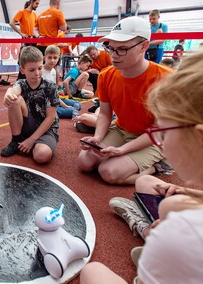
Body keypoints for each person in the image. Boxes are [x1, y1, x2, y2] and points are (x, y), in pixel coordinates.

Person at [79, 50, 203, 284]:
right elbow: (105, 113)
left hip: (179, 245)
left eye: (163, 133)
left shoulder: (185, 230)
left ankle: (146, 232)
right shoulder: (109, 75)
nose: (161, 141)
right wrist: (191, 193)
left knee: (91, 271)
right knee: (165, 201)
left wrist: (168, 241)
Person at [78, 16, 173, 185]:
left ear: (144, 46)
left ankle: (157, 166)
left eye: (122, 49)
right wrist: (97, 137)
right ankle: (134, 161)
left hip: (153, 138)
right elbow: (106, 114)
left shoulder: (165, 79)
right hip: (122, 129)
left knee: (108, 172)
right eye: (110, 48)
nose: (114, 55)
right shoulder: (106, 75)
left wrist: (122, 150)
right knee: (85, 162)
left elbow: (157, 130)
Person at [0, 46, 60, 164]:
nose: (37, 73)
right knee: (15, 99)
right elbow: (14, 90)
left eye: (40, 68)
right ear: (22, 70)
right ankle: (16, 140)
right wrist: (8, 93)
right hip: (29, 125)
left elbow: (51, 118)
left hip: (47, 128)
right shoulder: (21, 83)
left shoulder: (50, 87)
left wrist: (32, 140)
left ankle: (34, 143)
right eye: (32, 70)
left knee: (41, 156)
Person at [42, 44, 82, 118]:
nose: (52, 60)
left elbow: (54, 93)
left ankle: (59, 109)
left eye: (55, 58)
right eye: (49, 57)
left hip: (54, 99)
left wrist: (64, 105)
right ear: (45, 58)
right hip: (46, 103)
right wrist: (65, 106)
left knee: (78, 105)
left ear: (58, 58)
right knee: (73, 111)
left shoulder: (53, 71)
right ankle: (54, 112)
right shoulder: (40, 71)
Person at [10, 0, 41, 80]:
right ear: (32, 2)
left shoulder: (34, 14)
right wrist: (21, 33)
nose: (38, 5)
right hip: (25, 41)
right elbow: (11, 23)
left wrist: (38, 36)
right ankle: (20, 82)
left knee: (33, 62)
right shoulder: (22, 12)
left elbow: (35, 29)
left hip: (34, 41)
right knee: (23, 62)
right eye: (36, 3)